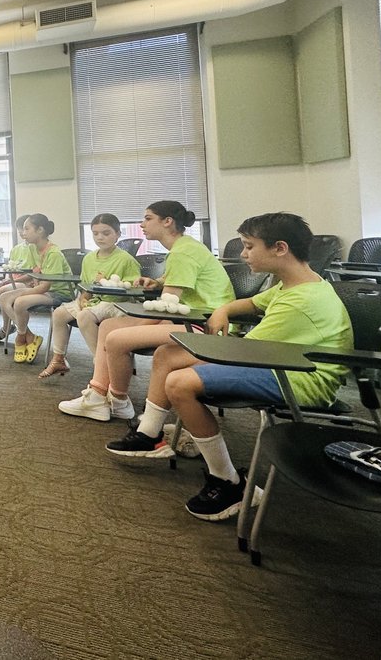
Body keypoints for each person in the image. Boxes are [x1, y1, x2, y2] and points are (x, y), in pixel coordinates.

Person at [105, 212, 354, 521]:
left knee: (180, 383)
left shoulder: (302, 300)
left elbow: (239, 351)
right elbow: (251, 304)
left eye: (249, 246)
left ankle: (227, 481)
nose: (243, 254)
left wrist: (203, 340)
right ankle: (150, 436)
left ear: (280, 248)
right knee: (167, 355)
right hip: (274, 363)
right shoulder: (291, 284)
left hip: (298, 378)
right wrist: (224, 309)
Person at [58, 200, 234, 421]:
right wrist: (158, 282)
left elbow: (167, 307)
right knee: (110, 325)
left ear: (168, 222)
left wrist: (140, 324)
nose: (142, 224)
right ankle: (99, 395)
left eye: (148, 218)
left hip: (202, 324)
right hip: (190, 316)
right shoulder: (184, 247)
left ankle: (117, 398)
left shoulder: (183, 253)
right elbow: (177, 286)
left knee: (117, 337)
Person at [40, 213, 141, 379]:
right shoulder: (89, 259)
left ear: (118, 234)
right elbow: (86, 286)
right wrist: (83, 298)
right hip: (94, 302)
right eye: (95, 233)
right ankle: (59, 359)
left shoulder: (126, 260)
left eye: (106, 233)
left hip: (116, 304)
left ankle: (102, 364)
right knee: (59, 314)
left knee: (84, 316)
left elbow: (131, 290)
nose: (100, 237)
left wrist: (106, 285)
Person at [0, 213, 74, 364]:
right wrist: (20, 285)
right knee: (4, 297)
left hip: (59, 293)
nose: (23, 233)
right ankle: (30, 336)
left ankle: (20, 338)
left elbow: (46, 285)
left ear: (40, 230)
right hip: (43, 289)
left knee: (19, 302)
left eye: (26, 229)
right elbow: (35, 273)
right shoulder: (32, 248)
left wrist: (20, 292)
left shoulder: (54, 253)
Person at [0, 215, 37, 348]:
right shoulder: (16, 249)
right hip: (13, 279)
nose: (22, 233)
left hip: (26, 282)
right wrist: (7, 279)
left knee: (3, 290)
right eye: (20, 230)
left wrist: (11, 281)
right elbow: (11, 267)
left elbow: (34, 273)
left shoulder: (35, 249)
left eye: (25, 229)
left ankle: (5, 328)